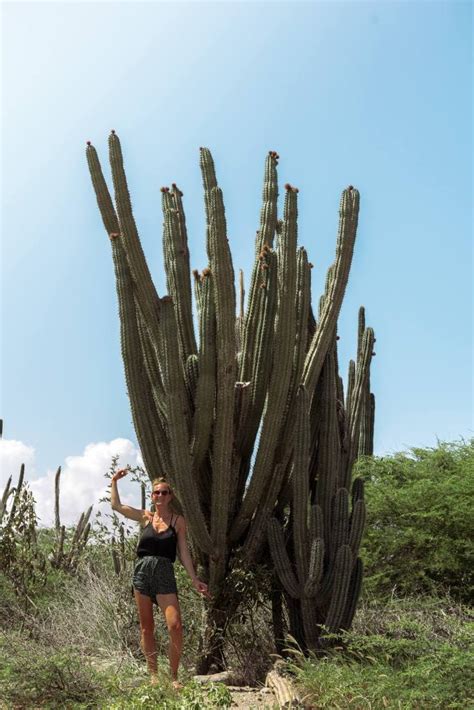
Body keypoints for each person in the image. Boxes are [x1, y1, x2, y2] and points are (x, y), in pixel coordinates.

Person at [110, 468, 210, 688]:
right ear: (152, 496)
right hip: (143, 572)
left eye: (165, 492)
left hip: (165, 572)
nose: (160, 496)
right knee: (147, 627)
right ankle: (154, 675)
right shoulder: (145, 517)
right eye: (157, 493)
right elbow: (116, 506)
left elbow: (183, 552)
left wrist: (194, 579)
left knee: (175, 625)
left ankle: (173, 676)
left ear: (171, 496)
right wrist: (114, 481)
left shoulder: (178, 521)